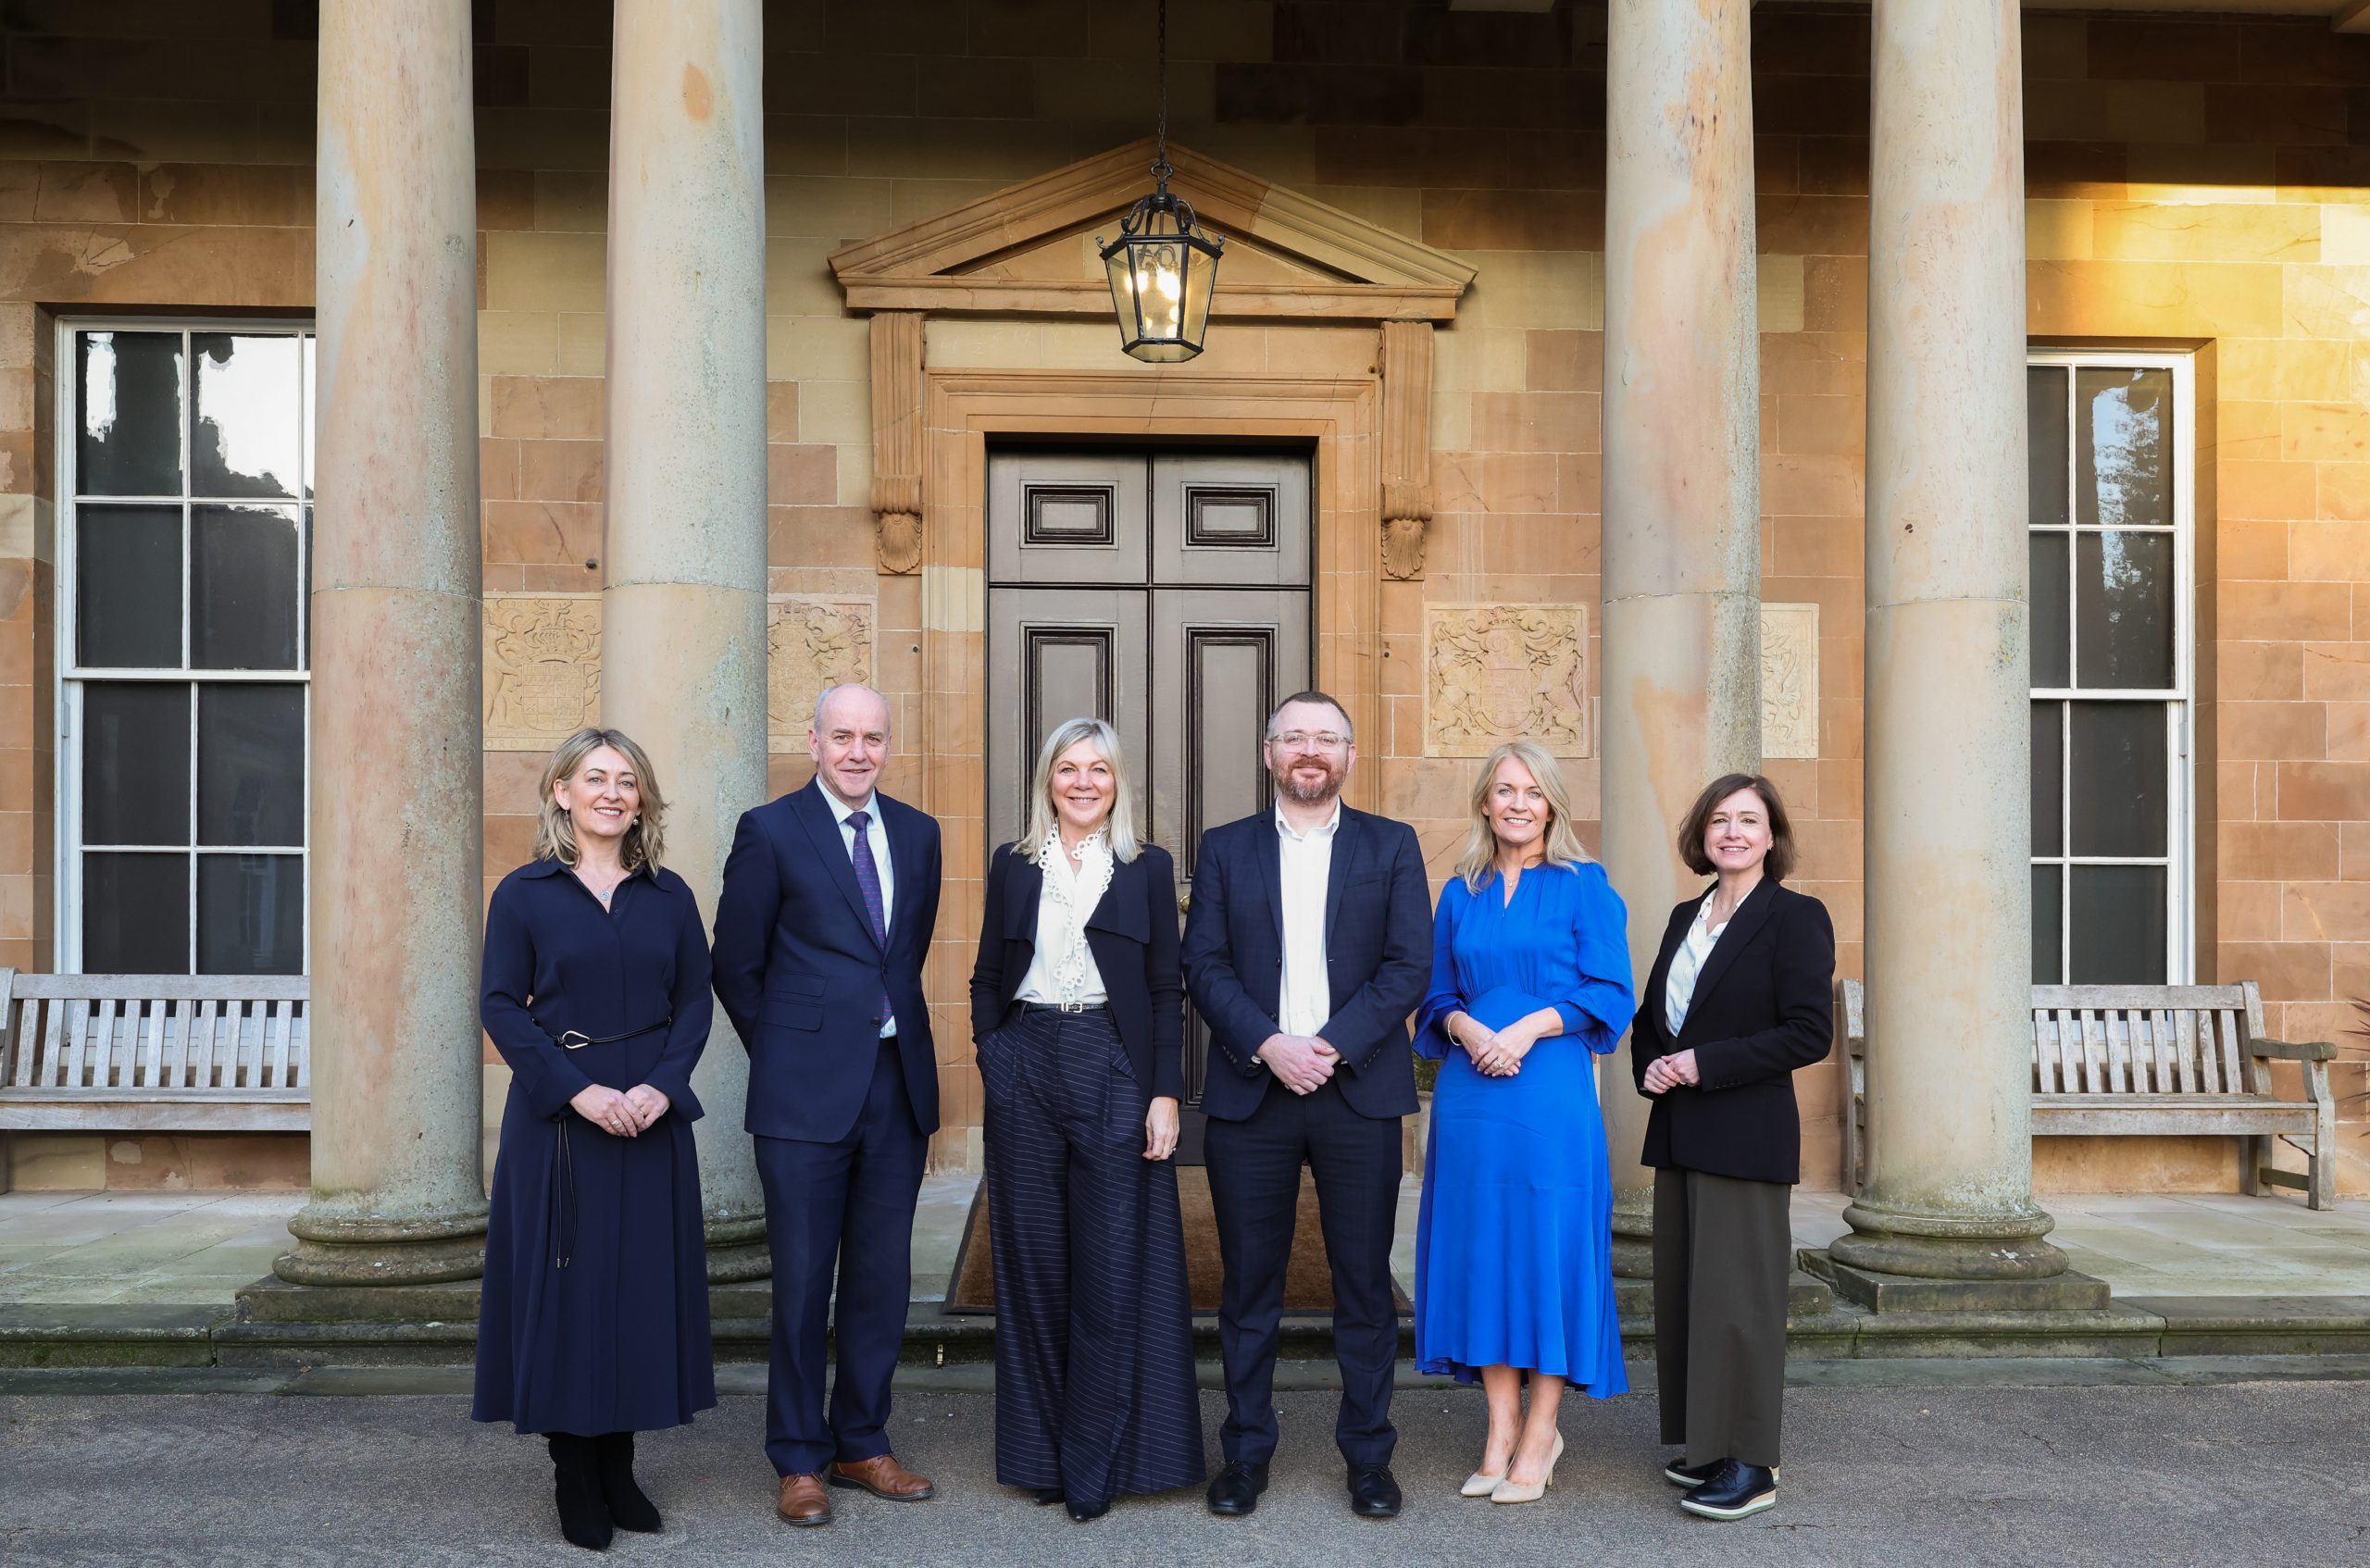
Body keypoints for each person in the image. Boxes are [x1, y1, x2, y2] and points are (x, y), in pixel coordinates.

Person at [1181, 691, 1431, 1521]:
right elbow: (1203, 963)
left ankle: (1368, 1457)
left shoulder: (1392, 846)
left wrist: (1325, 1046)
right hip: (1255, 1092)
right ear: (1268, 754)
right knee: (1250, 1285)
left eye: (1326, 739)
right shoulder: (1224, 849)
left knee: (1363, 1284)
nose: (1310, 752)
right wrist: (1269, 1044)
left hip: (1357, 1093)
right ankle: (1245, 1455)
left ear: (1350, 757)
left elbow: (1408, 966)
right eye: (1294, 739)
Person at [475, 728, 717, 1552]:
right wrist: (579, 1093)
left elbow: (694, 1003)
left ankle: (621, 1466)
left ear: (642, 799)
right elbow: (502, 1004)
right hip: (562, 1124)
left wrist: (659, 1088)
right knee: (569, 1293)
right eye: (595, 779)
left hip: (649, 1118)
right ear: (561, 793)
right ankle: (574, 1473)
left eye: (627, 781)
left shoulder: (669, 894)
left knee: (638, 1292)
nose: (612, 792)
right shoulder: (524, 893)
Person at [712, 684, 944, 1528]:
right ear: (812, 741)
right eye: (842, 736)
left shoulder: (920, 835)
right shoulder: (769, 830)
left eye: (873, 738)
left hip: (897, 1085)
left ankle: (862, 1443)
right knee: (805, 1283)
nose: (857, 752)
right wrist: (787, 1052)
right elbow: (734, 963)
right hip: (802, 1093)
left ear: (889, 745)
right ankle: (799, 1458)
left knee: (882, 1280)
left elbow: (903, 957)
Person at [967, 717, 1205, 1522]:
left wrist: (1164, 1091)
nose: (1081, 782)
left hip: (1112, 1060)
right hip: (1026, 1055)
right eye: (1067, 769)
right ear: (1047, 781)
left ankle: (1096, 1461)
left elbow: (1169, 990)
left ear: (1117, 784)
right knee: (1033, 1267)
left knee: (1110, 1269)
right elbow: (985, 972)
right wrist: (993, 1056)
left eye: (1097, 770)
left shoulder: (1146, 868)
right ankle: (1043, 1454)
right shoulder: (1012, 864)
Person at [1412, 741, 1634, 1504]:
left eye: (1532, 792)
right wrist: (1472, 1033)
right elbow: (1437, 999)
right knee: (1486, 1252)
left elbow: (1610, 993)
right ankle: (1499, 1428)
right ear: (1483, 801)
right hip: (1473, 1099)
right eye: (1504, 789)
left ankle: (1543, 1430)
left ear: (1552, 805)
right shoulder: (1460, 893)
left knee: (1546, 1249)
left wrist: (1528, 1028)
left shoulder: (1586, 886)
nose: (1516, 803)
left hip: (1548, 1093)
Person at [1632, 773, 1835, 1523]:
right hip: (1681, 1129)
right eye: (1720, 819)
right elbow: (1657, 1015)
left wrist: (1703, 1064)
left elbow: (1810, 1031)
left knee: (1742, 1302)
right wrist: (1652, 1062)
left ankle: (1753, 1463)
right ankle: (1709, 1445)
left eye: (1749, 820)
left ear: (1773, 836)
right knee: (1691, 1295)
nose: (1733, 832)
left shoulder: (1795, 917)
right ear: (1702, 834)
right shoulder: (1688, 915)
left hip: (1746, 1133)